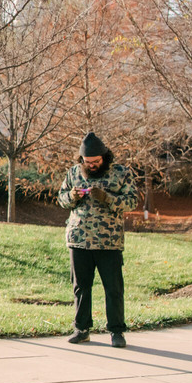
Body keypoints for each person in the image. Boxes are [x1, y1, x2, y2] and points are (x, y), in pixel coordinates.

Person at [57, 132, 138, 349]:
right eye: (87, 162)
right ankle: (81, 330)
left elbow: (132, 202)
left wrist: (107, 198)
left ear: (104, 157)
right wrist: (72, 196)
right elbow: (61, 199)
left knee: (113, 289)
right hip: (78, 240)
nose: (91, 165)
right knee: (81, 287)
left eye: (96, 162)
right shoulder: (73, 173)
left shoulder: (121, 173)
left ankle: (117, 331)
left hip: (108, 242)